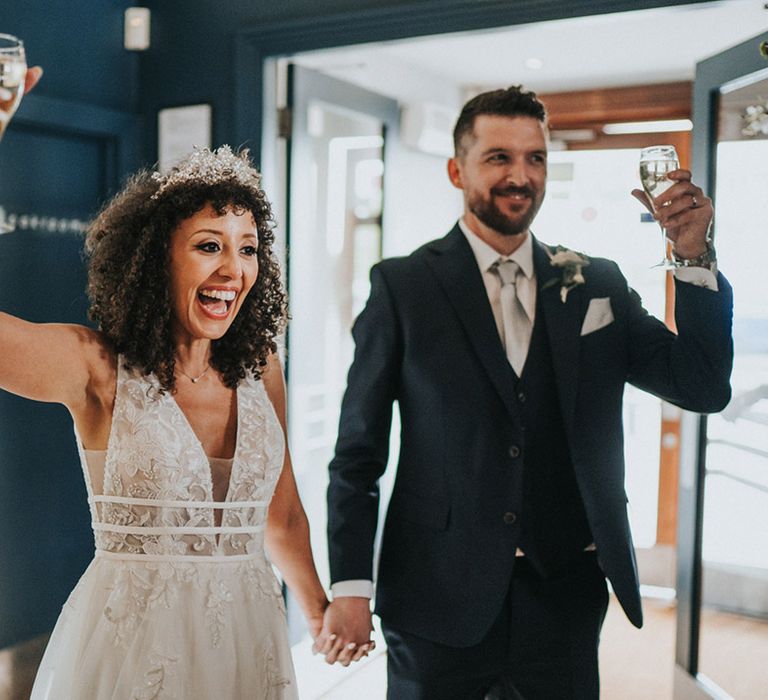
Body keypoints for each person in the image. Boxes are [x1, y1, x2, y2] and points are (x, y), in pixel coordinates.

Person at [320, 86, 733, 698]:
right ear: (457, 170)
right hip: (436, 599)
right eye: (499, 158)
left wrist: (692, 255)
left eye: (535, 158)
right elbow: (358, 454)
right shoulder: (403, 287)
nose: (520, 176)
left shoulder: (597, 283)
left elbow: (700, 386)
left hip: (565, 597)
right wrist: (351, 587)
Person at [1, 69, 351, 699]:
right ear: (154, 258)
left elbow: (282, 514)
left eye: (249, 250)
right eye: (209, 246)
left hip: (248, 642)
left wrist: (321, 611)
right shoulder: (97, 369)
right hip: (132, 653)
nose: (233, 269)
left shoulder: (259, 366)